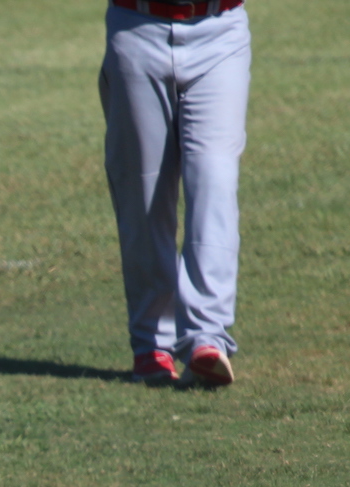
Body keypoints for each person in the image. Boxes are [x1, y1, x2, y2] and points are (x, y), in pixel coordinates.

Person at [100, 0, 251, 387]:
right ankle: (152, 343)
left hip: (220, 31)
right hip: (136, 26)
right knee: (144, 192)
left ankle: (207, 336)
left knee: (214, 179)